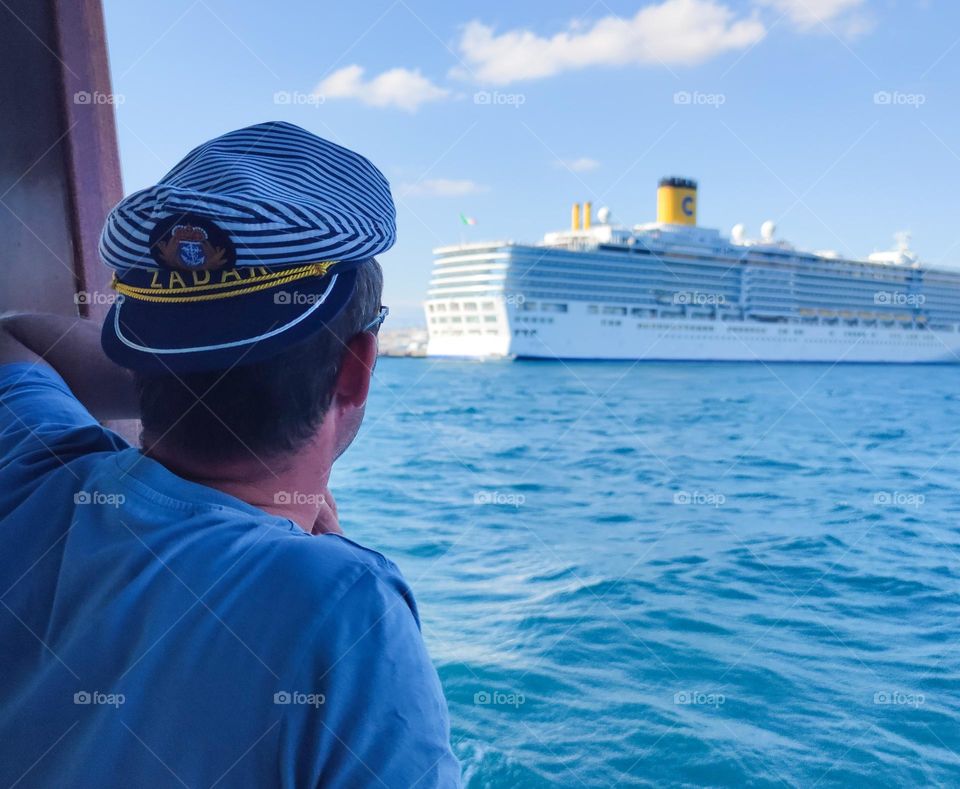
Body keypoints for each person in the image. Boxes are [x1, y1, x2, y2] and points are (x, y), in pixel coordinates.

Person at [0, 121, 461, 788]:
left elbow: (13, 335)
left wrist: (185, 360)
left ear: (142, 351)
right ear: (355, 368)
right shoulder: (347, 612)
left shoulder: (29, 469)